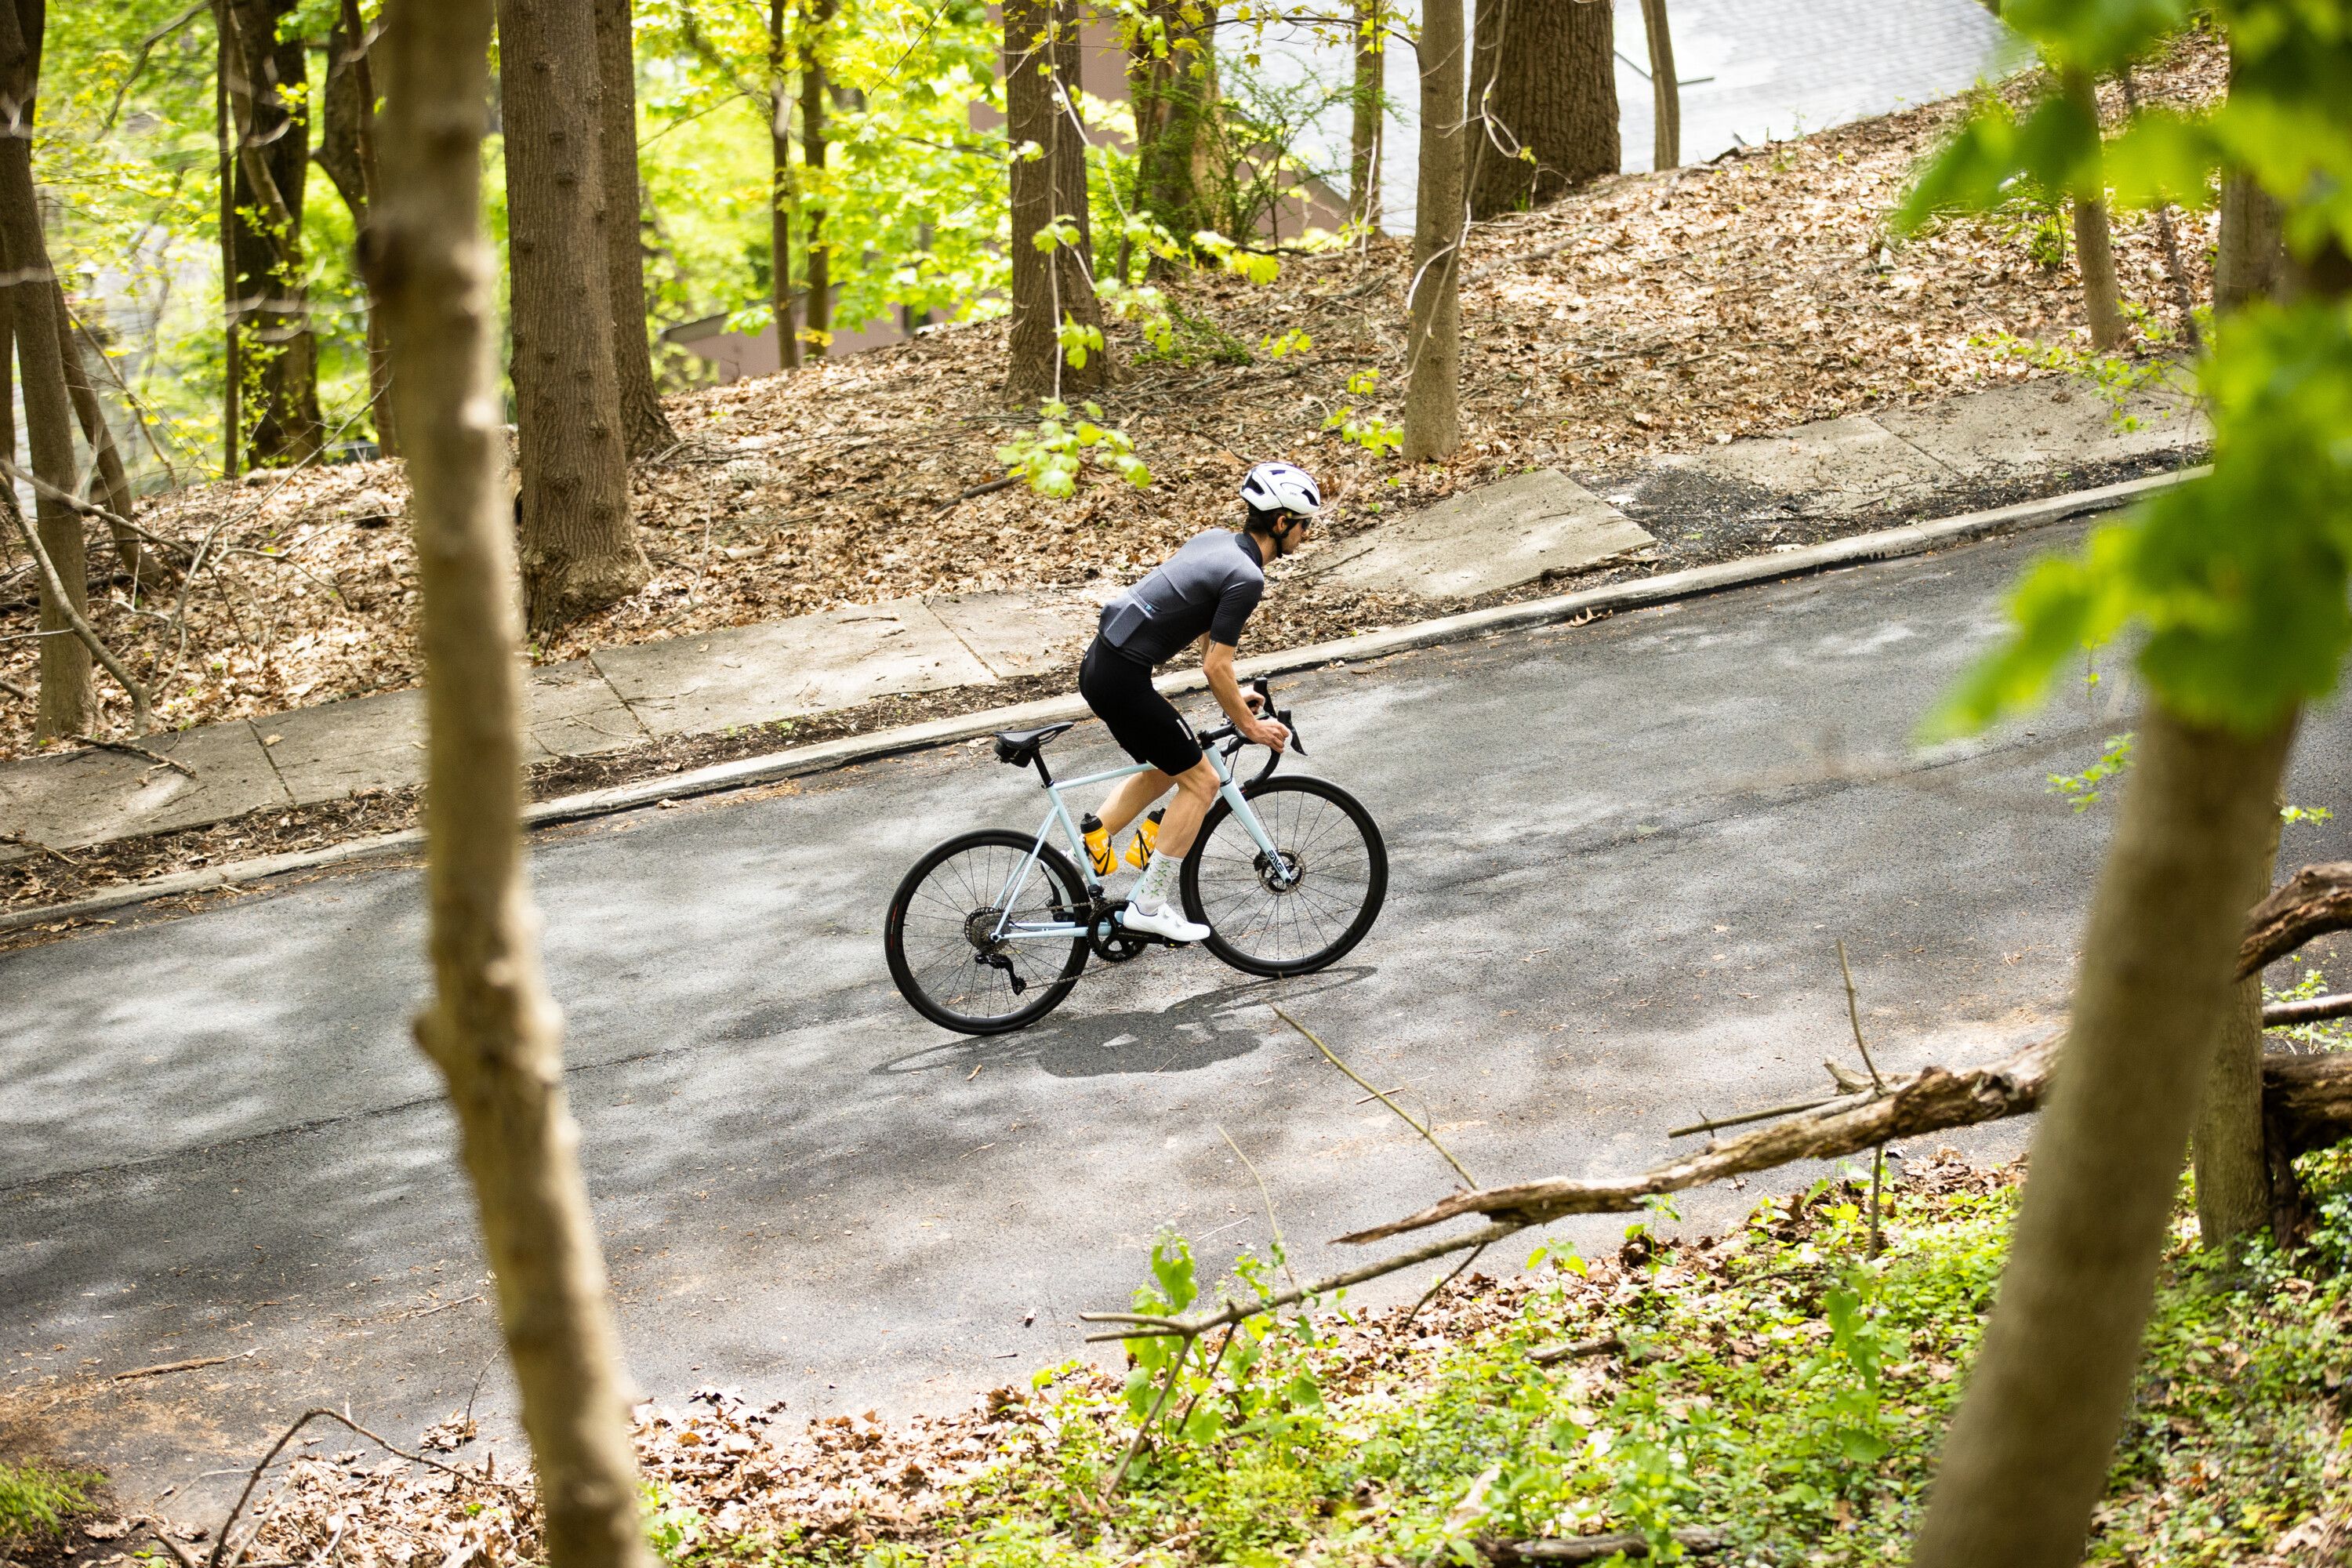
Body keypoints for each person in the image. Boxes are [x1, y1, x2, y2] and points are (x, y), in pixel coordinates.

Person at [1078, 460, 1323, 942]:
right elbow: (1215, 667)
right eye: (1303, 525)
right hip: (1124, 679)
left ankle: (1082, 859)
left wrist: (1234, 692)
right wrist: (1251, 726)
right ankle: (1149, 904)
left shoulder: (1216, 541)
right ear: (1281, 523)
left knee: (1172, 763)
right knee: (1203, 782)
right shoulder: (1249, 577)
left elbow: (1203, 622)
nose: (1305, 535)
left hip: (1102, 666)